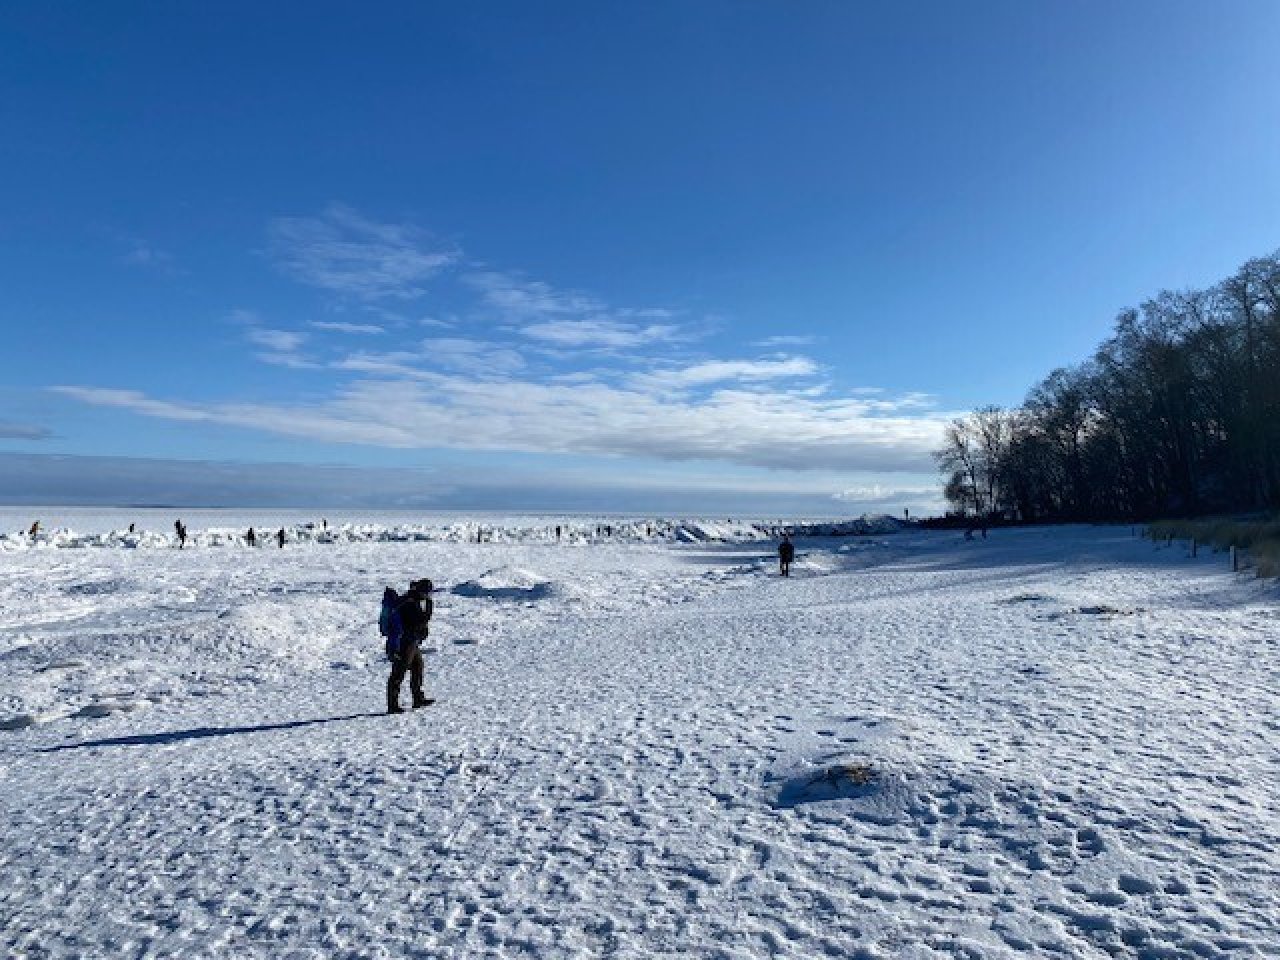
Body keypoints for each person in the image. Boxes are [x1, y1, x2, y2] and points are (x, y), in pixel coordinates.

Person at [388, 578, 434, 714]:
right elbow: (420, 620)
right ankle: (392, 705)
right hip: (404, 642)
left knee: (417, 667)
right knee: (399, 672)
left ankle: (418, 698)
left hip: (413, 642)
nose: (428, 595)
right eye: (427, 592)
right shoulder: (408, 602)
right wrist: (429, 607)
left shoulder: (415, 600)